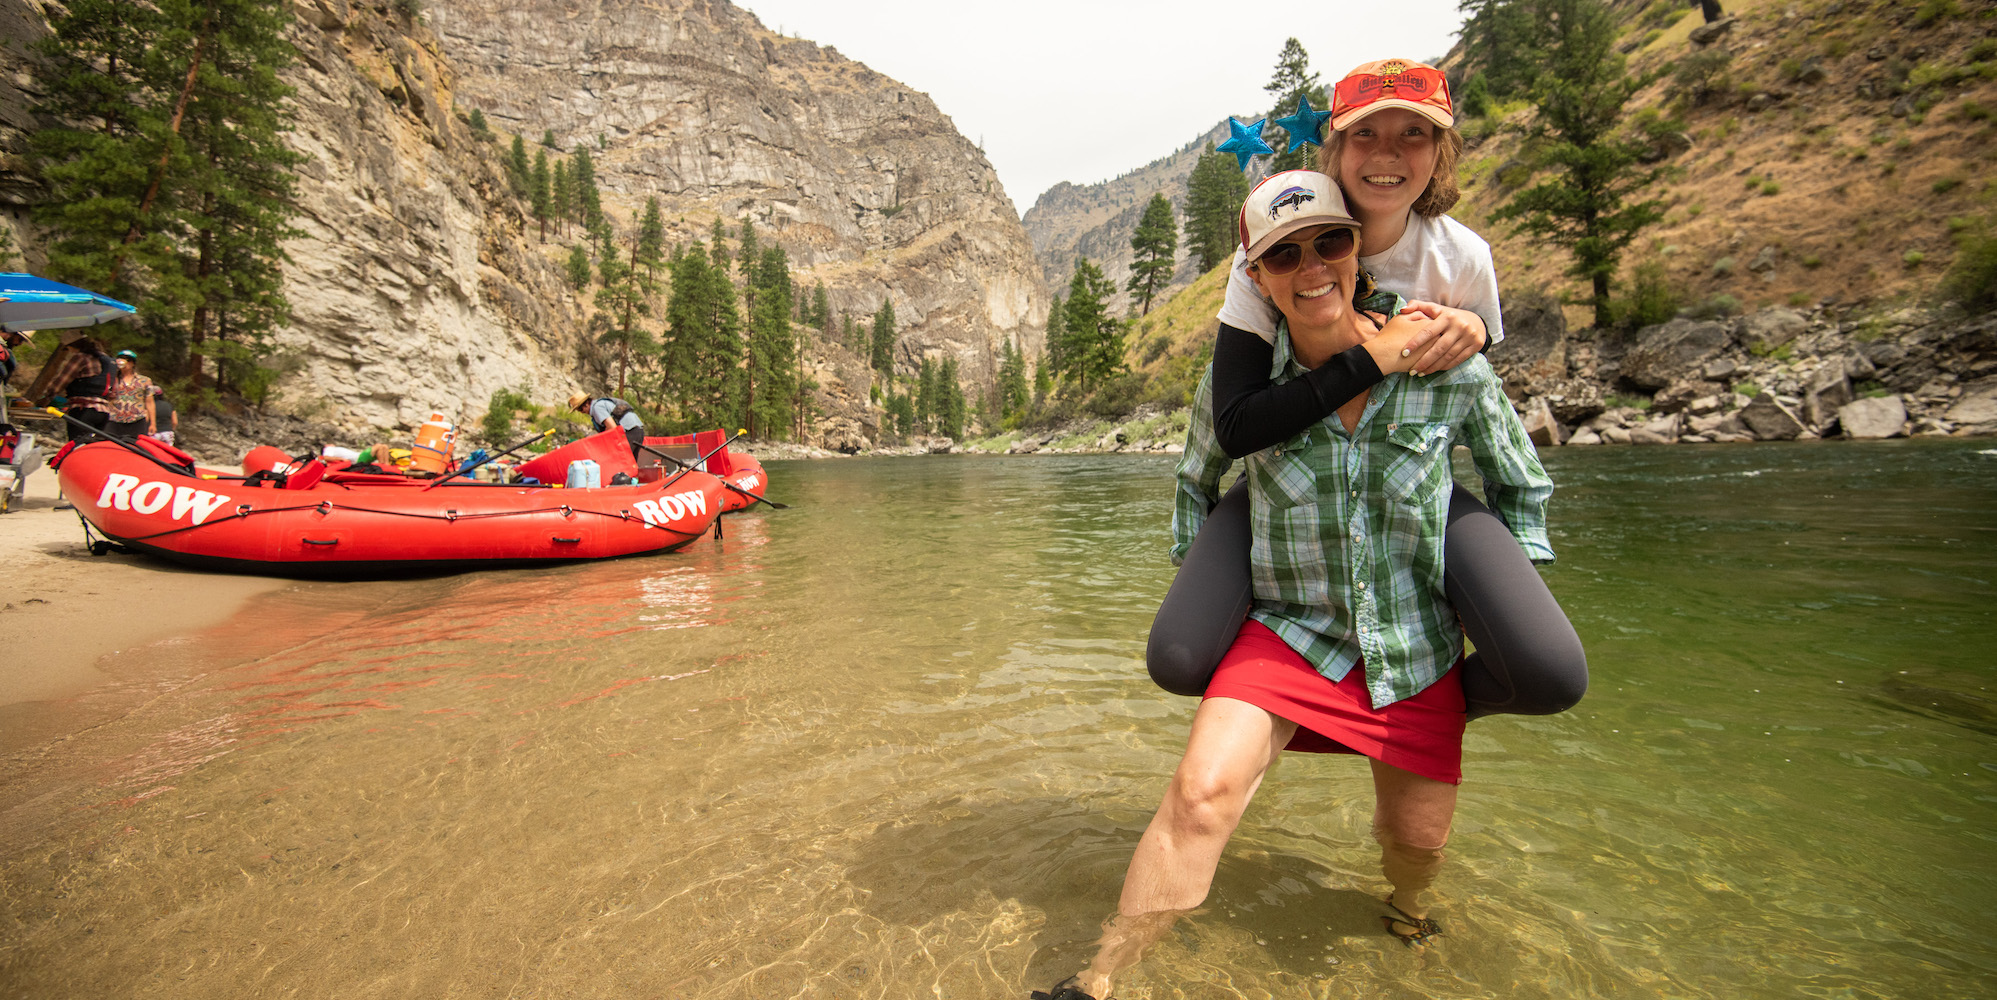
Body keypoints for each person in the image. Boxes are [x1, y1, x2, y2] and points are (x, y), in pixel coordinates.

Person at [1034, 172, 1555, 1000]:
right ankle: (1097, 982)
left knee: (1411, 848)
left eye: (1330, 242)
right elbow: (1195, 481)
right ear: (1258, 277)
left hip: (1413, 645)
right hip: (1286, 632)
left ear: (1358, 252)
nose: (1310, 266)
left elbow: (1517, 481)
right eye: (1283, 254)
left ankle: (1410, 919)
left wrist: (1503, 599)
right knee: (1199, 794)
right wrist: (1203, 593)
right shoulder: (1239, 395)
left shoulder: (1444, 364)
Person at [1148, 56, 1586, 719]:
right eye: (1363, 135)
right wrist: (1375, 356)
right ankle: (1280, 683)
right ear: (1335, 149)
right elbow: (1233, 424)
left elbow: (1475, 368)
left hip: (1409, 470)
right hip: (1286, 468)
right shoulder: (1267, 248)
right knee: (1178, 657)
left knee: (1547, 670)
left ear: (1441, 151)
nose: (1387, 154)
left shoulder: (1459, 256)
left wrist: (1469, 325)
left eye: (1413, 134)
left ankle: (1419, 706)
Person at [44, 335, 114, 443]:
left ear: (73, 345)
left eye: (68, 348)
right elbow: (114, 391)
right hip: (104, 412)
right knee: (93, 448)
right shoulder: (108, 361)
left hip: (84, 410)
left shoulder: (81, 357)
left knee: (77, 446)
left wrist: (47, 396)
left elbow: (61, 380)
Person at [569, 392, 645, 462]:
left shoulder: (597, 408)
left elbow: (612, 427)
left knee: (619, 462)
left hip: (629, 431)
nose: (581, 412)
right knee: (631, 462)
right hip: (638, 430)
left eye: (580, 409)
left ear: (586, 404)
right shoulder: (601, 403)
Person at [104, 349, 156, 442]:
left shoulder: (145, 381)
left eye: (128, 360)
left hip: (136, 419)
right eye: (121, 359)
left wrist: (153, 423)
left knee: (137, 447)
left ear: (133, 364)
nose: (124, 362)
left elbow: (150, 402)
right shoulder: (112, 379)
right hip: (114, 419)